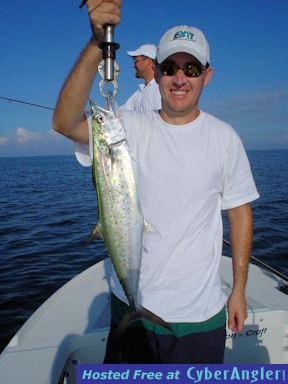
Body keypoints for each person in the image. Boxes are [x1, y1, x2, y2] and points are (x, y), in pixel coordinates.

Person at [53, 0, 259, 364]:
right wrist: (95, 42)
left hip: (198, 318)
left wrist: (239, 290)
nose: (180, 78)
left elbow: (240, 214)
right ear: (158, 72)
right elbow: (65, 123)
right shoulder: (127, 126)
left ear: (206, 75)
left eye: (191, 68)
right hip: (129, 310)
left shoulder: (225, 138)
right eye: (170, 67)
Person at [121, 44, 161, 112]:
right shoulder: (139, 93)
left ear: (148, 62)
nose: (133, 66)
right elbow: (120, 114)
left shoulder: (160, 89)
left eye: (136, 61)